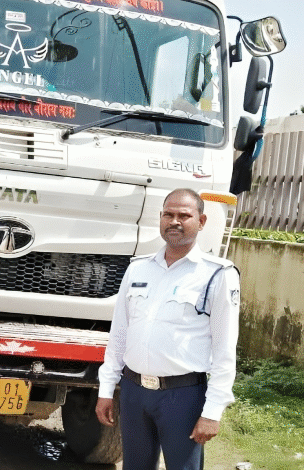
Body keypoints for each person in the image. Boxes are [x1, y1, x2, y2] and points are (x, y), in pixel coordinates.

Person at [96, 188, 240, 470]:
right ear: (160, 218)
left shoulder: (217, 274)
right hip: (134, 391)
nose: (174, 221)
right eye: (168, 214)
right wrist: (106, 388)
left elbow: (225, 348)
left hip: (182, 396)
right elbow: (120, 334)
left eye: (184, 215)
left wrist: (212, 412)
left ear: (201, 221)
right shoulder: (138, 269)